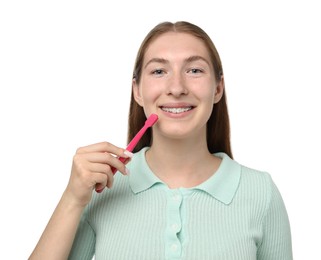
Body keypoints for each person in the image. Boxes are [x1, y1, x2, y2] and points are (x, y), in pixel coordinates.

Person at [29, 21, 293, 260]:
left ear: (218, 89)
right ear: (137, 91)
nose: (176, 87)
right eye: (158, 71)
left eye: (194, 70)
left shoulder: (261, 193)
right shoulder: (101, 188)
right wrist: (73, 198)